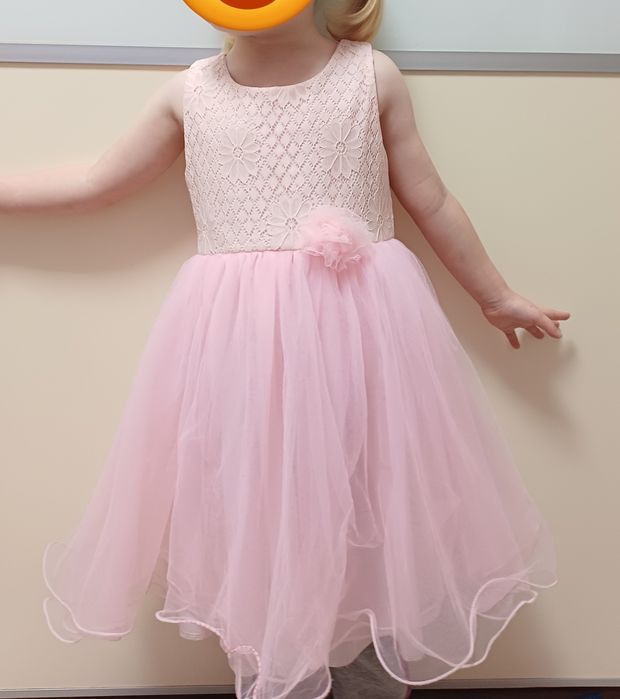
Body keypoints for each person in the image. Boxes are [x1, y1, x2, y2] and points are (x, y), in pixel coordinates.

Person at [1, 1, 569, 697]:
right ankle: (276, 668)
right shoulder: (190, 93)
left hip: (365, 340)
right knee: (262, 511)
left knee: (371, 507)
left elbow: (433, 200)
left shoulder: (371, 77)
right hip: (246, 352)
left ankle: (367, 678)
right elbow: (96, 184)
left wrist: (494, 295)